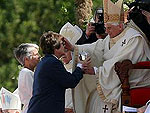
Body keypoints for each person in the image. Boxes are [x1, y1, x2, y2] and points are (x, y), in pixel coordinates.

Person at [63, 0, 150, 112]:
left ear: (119, 26)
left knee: (100, 101)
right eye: (105, 28)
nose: (106, 32)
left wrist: (95, 71)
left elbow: (120, 62)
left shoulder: (133, 38)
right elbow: (96, 48)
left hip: (134, 80)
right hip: (115, 80)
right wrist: (74, 48)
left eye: (109, 28)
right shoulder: (113, 35)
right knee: (94, 97)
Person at [27, 31, 84, 113]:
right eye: (62, 43)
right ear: (55, 47)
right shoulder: (52, 62)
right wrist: (80, 66)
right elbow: (70, 81)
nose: (64, 46)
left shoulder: (45, 61)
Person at [13, 43, 40, 113]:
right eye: (36, 54)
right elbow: (36, 94)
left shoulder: (24, 72)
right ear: (27, 59)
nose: (39, 56)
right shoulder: (27, 73)